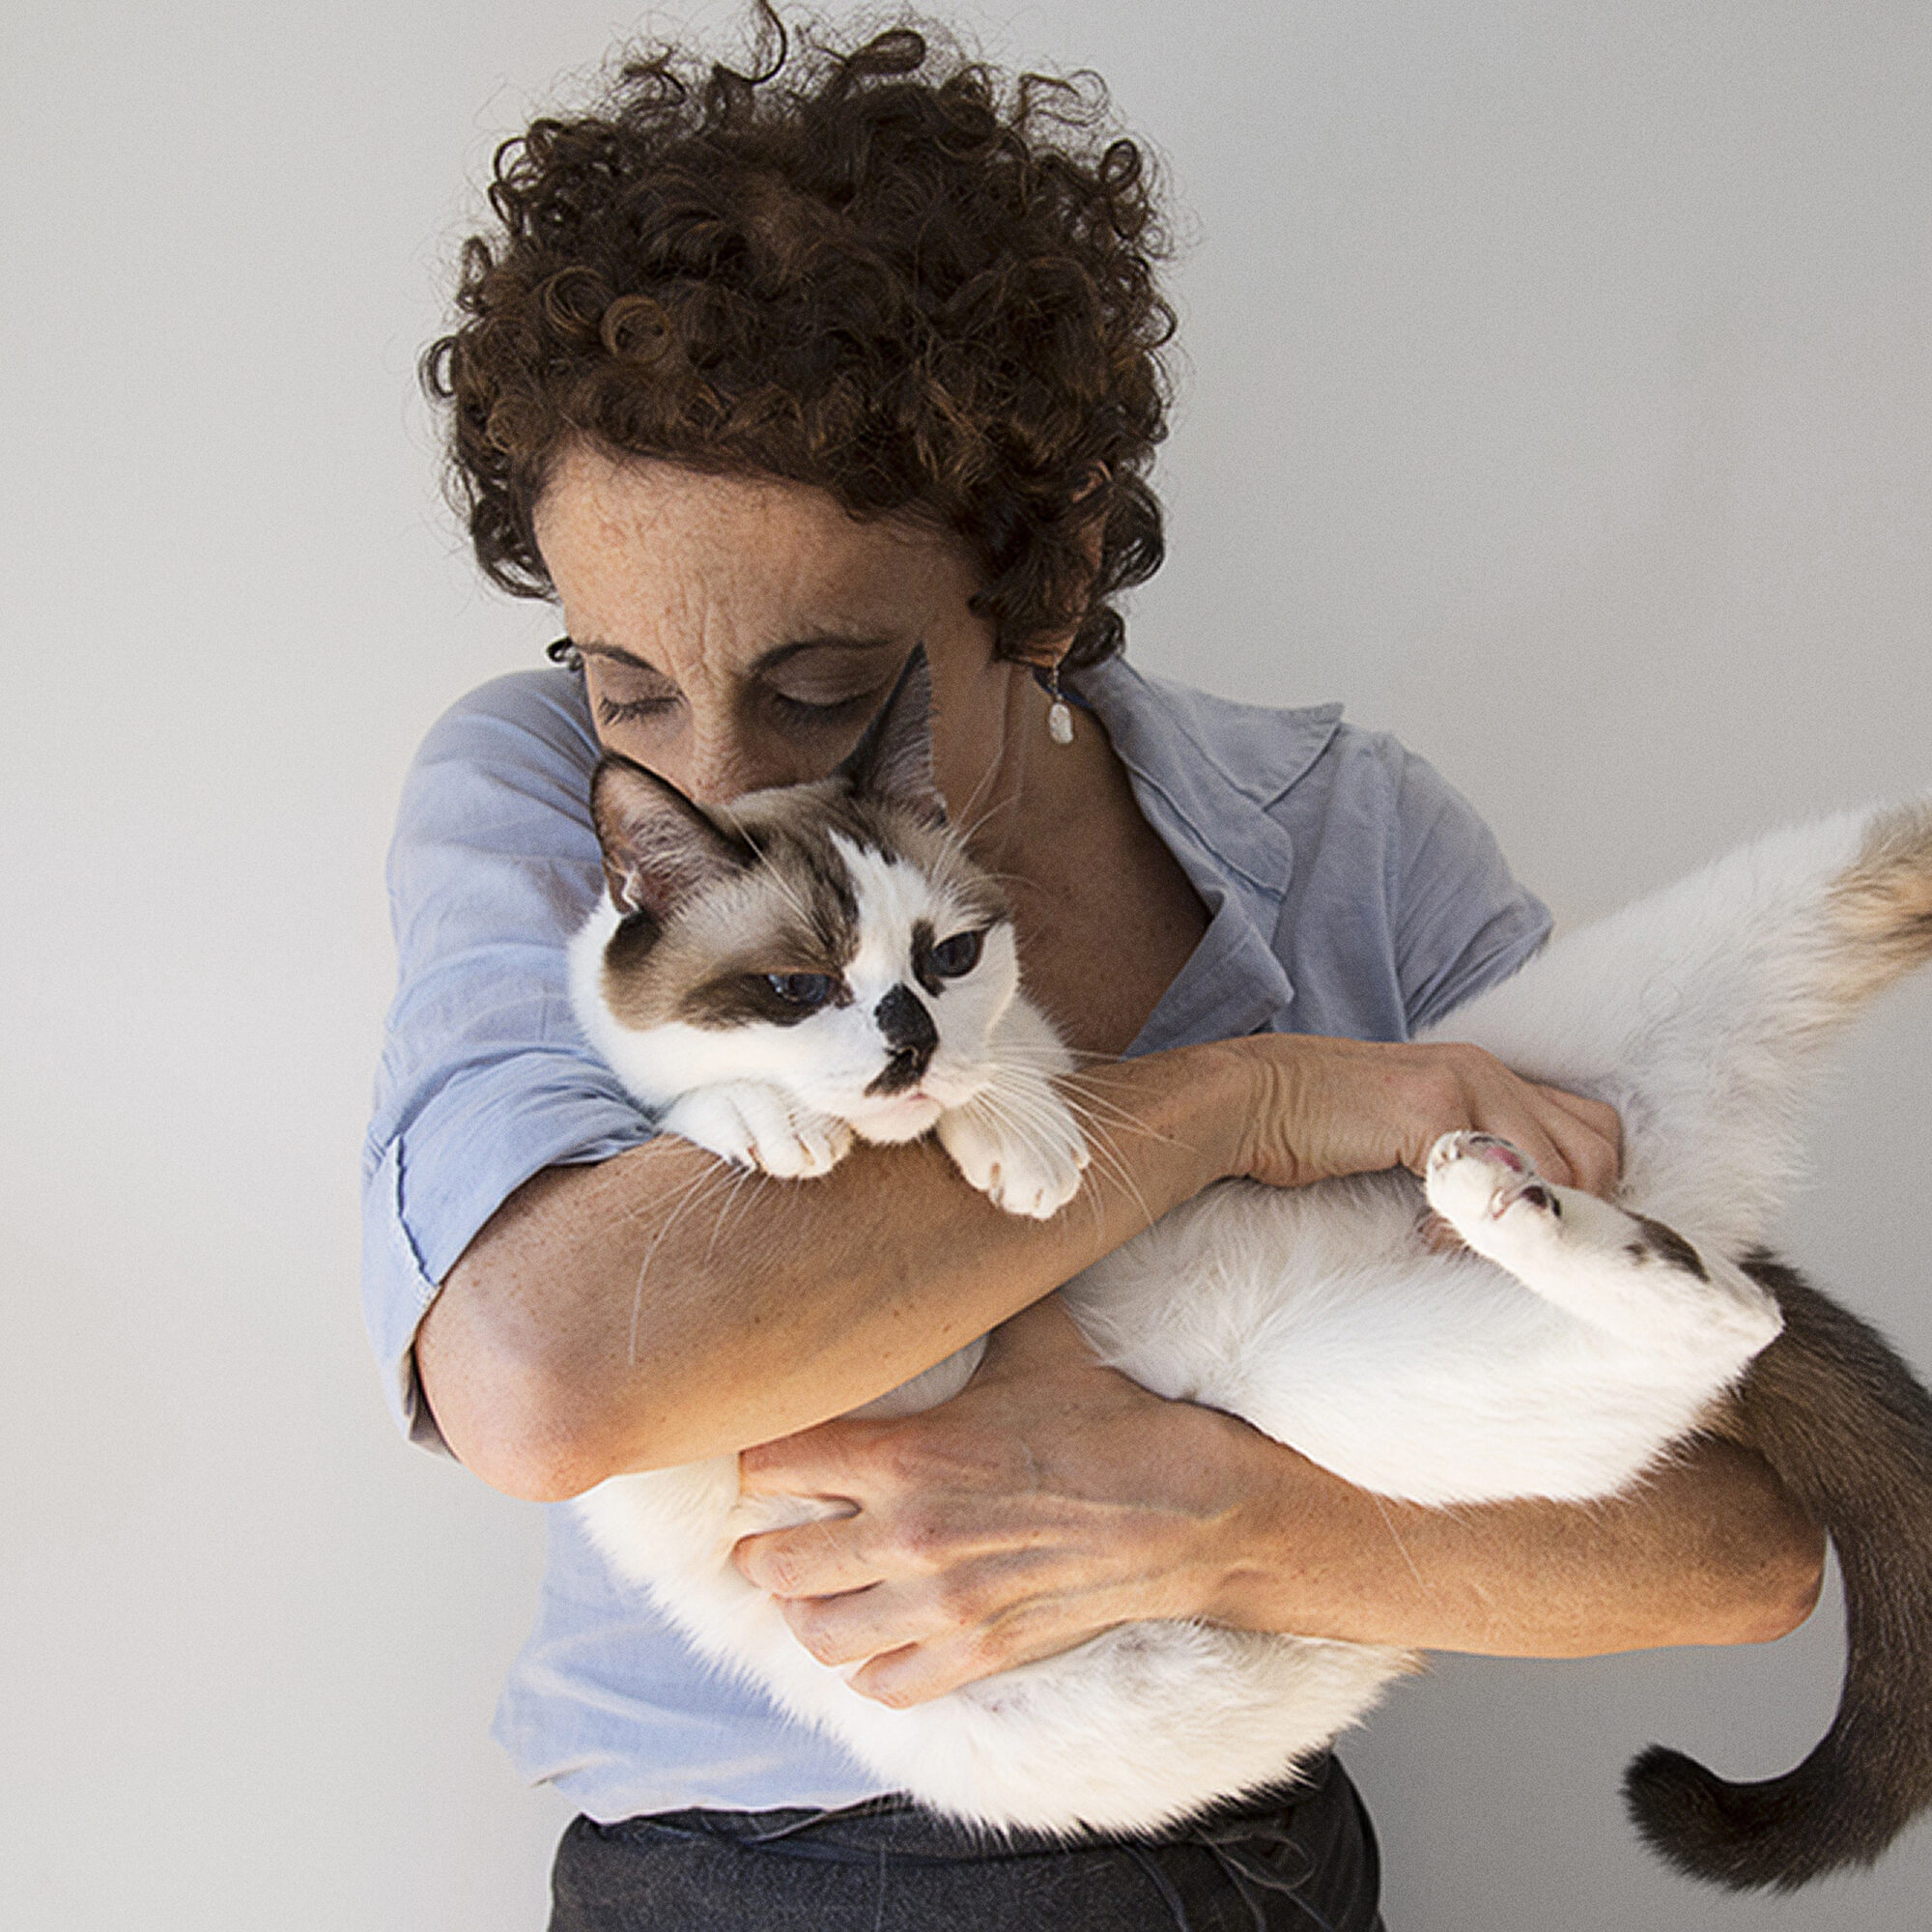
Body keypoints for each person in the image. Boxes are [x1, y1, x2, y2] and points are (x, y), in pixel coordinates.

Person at [363, 18, 1824, 1929]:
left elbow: (1728, 1543)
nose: (720, 789)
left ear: (1042, 584)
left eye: (818, 692)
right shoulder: (540, 796)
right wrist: (1241, 1100)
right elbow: (543, 1381)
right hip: (761, 1865)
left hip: (1262, 1843)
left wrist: (1209, 1519)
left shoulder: (1345, 846)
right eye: (627, 680)